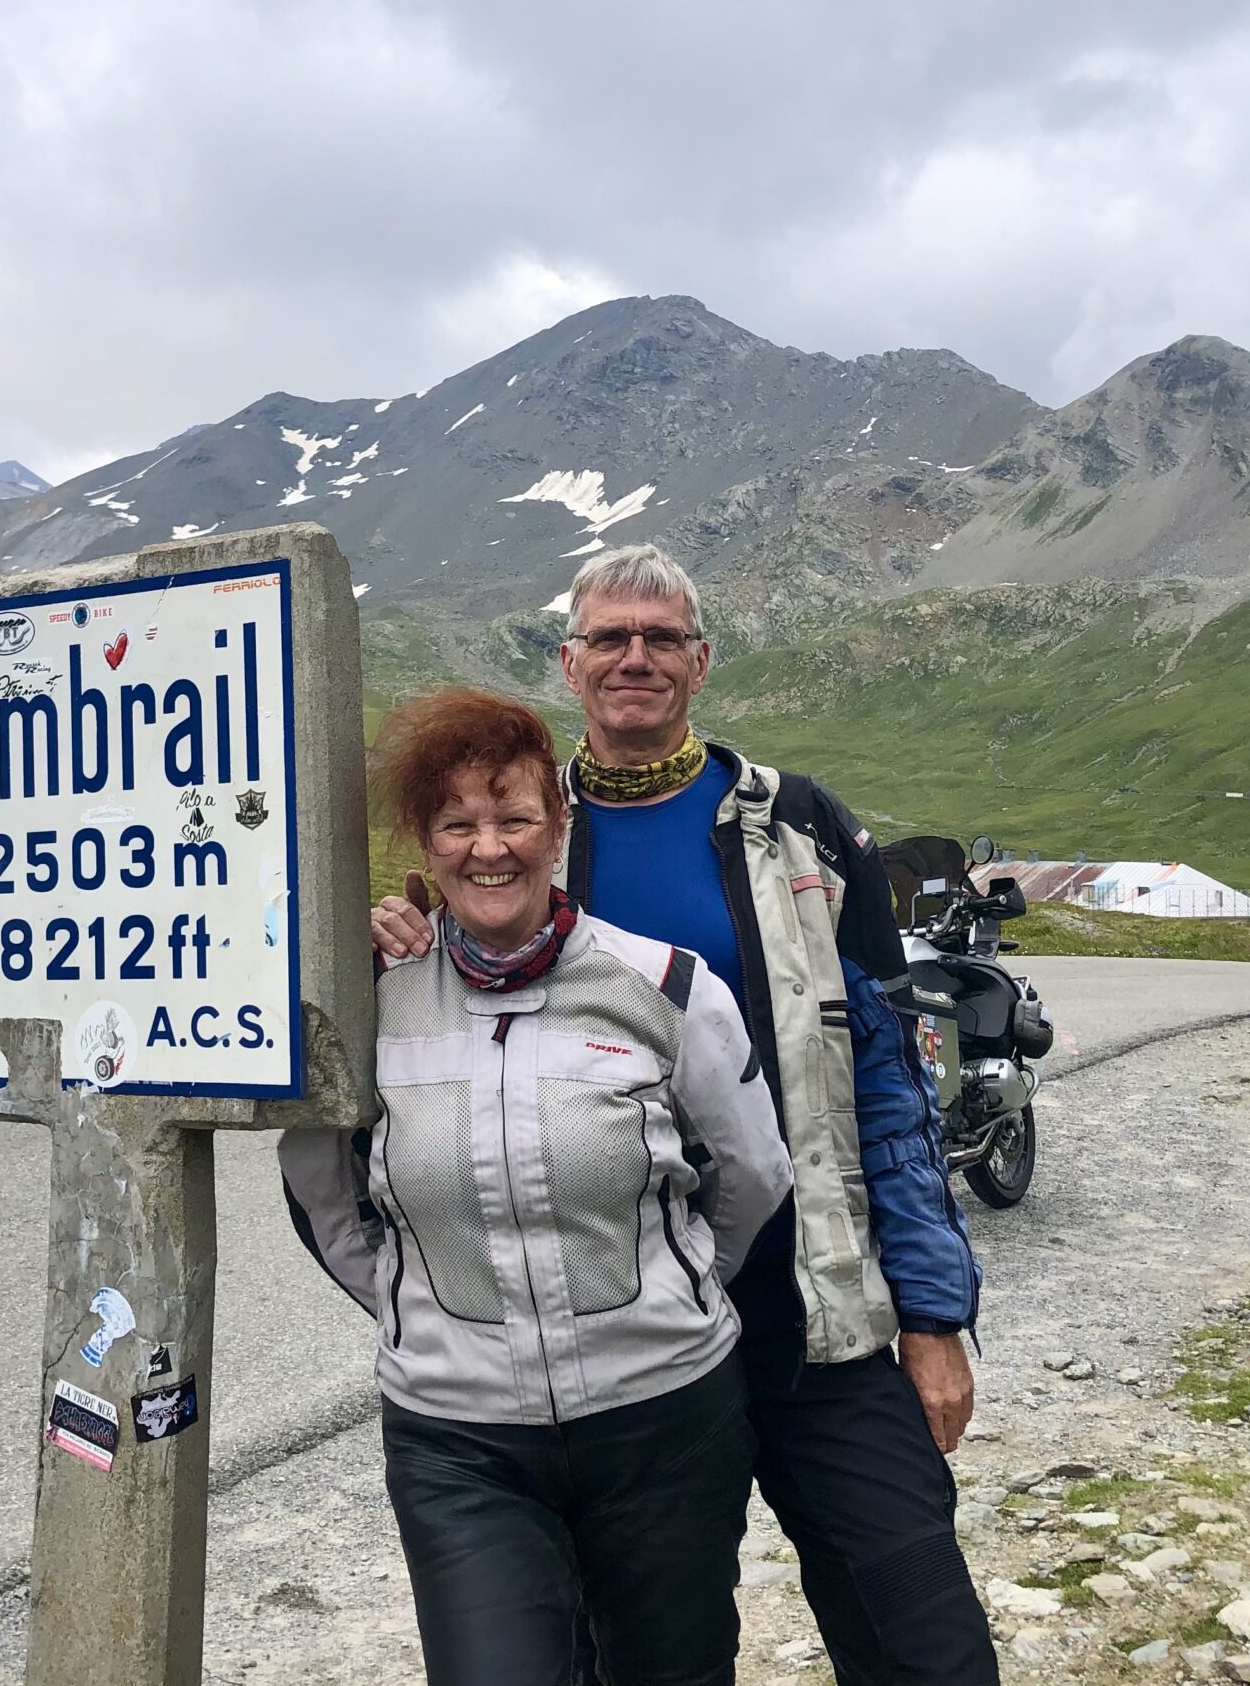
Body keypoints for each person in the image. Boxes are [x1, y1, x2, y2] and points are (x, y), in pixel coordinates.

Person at [371, 544, 998, 1686]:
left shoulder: (801, 828)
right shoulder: (523, 831)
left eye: (661, 638)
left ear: (699, 662)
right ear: (569, 663)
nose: (634, 658)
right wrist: (394, 937)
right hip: (634, 1359)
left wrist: (933, 1312)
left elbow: (887, 1088)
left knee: (925, 1639)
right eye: (609, 637)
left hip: (819, 1309)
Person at [281, 687, 792, 1686]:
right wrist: (409, 1302)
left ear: (557, 825)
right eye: (457, 824)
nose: (489, 848)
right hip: (459, 1439)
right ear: (425, 847)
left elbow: (753, 1170)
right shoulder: (374, 1004)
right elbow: (319, 1190)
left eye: (514, 817)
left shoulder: (668, 985)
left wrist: (678, 1289)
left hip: (663, 1415)